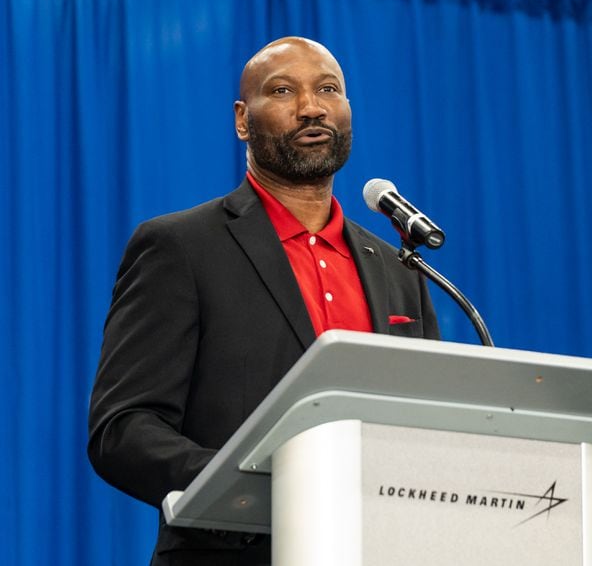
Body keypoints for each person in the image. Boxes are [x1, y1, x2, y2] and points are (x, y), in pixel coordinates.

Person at [88, 37, 440, 566]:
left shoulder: (400, 269)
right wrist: (253, 487)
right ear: (242, 121)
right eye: (282, 90)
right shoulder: (181, 247)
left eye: (328, 89)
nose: (311, 107)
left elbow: (431, 423)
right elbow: (123, 428)